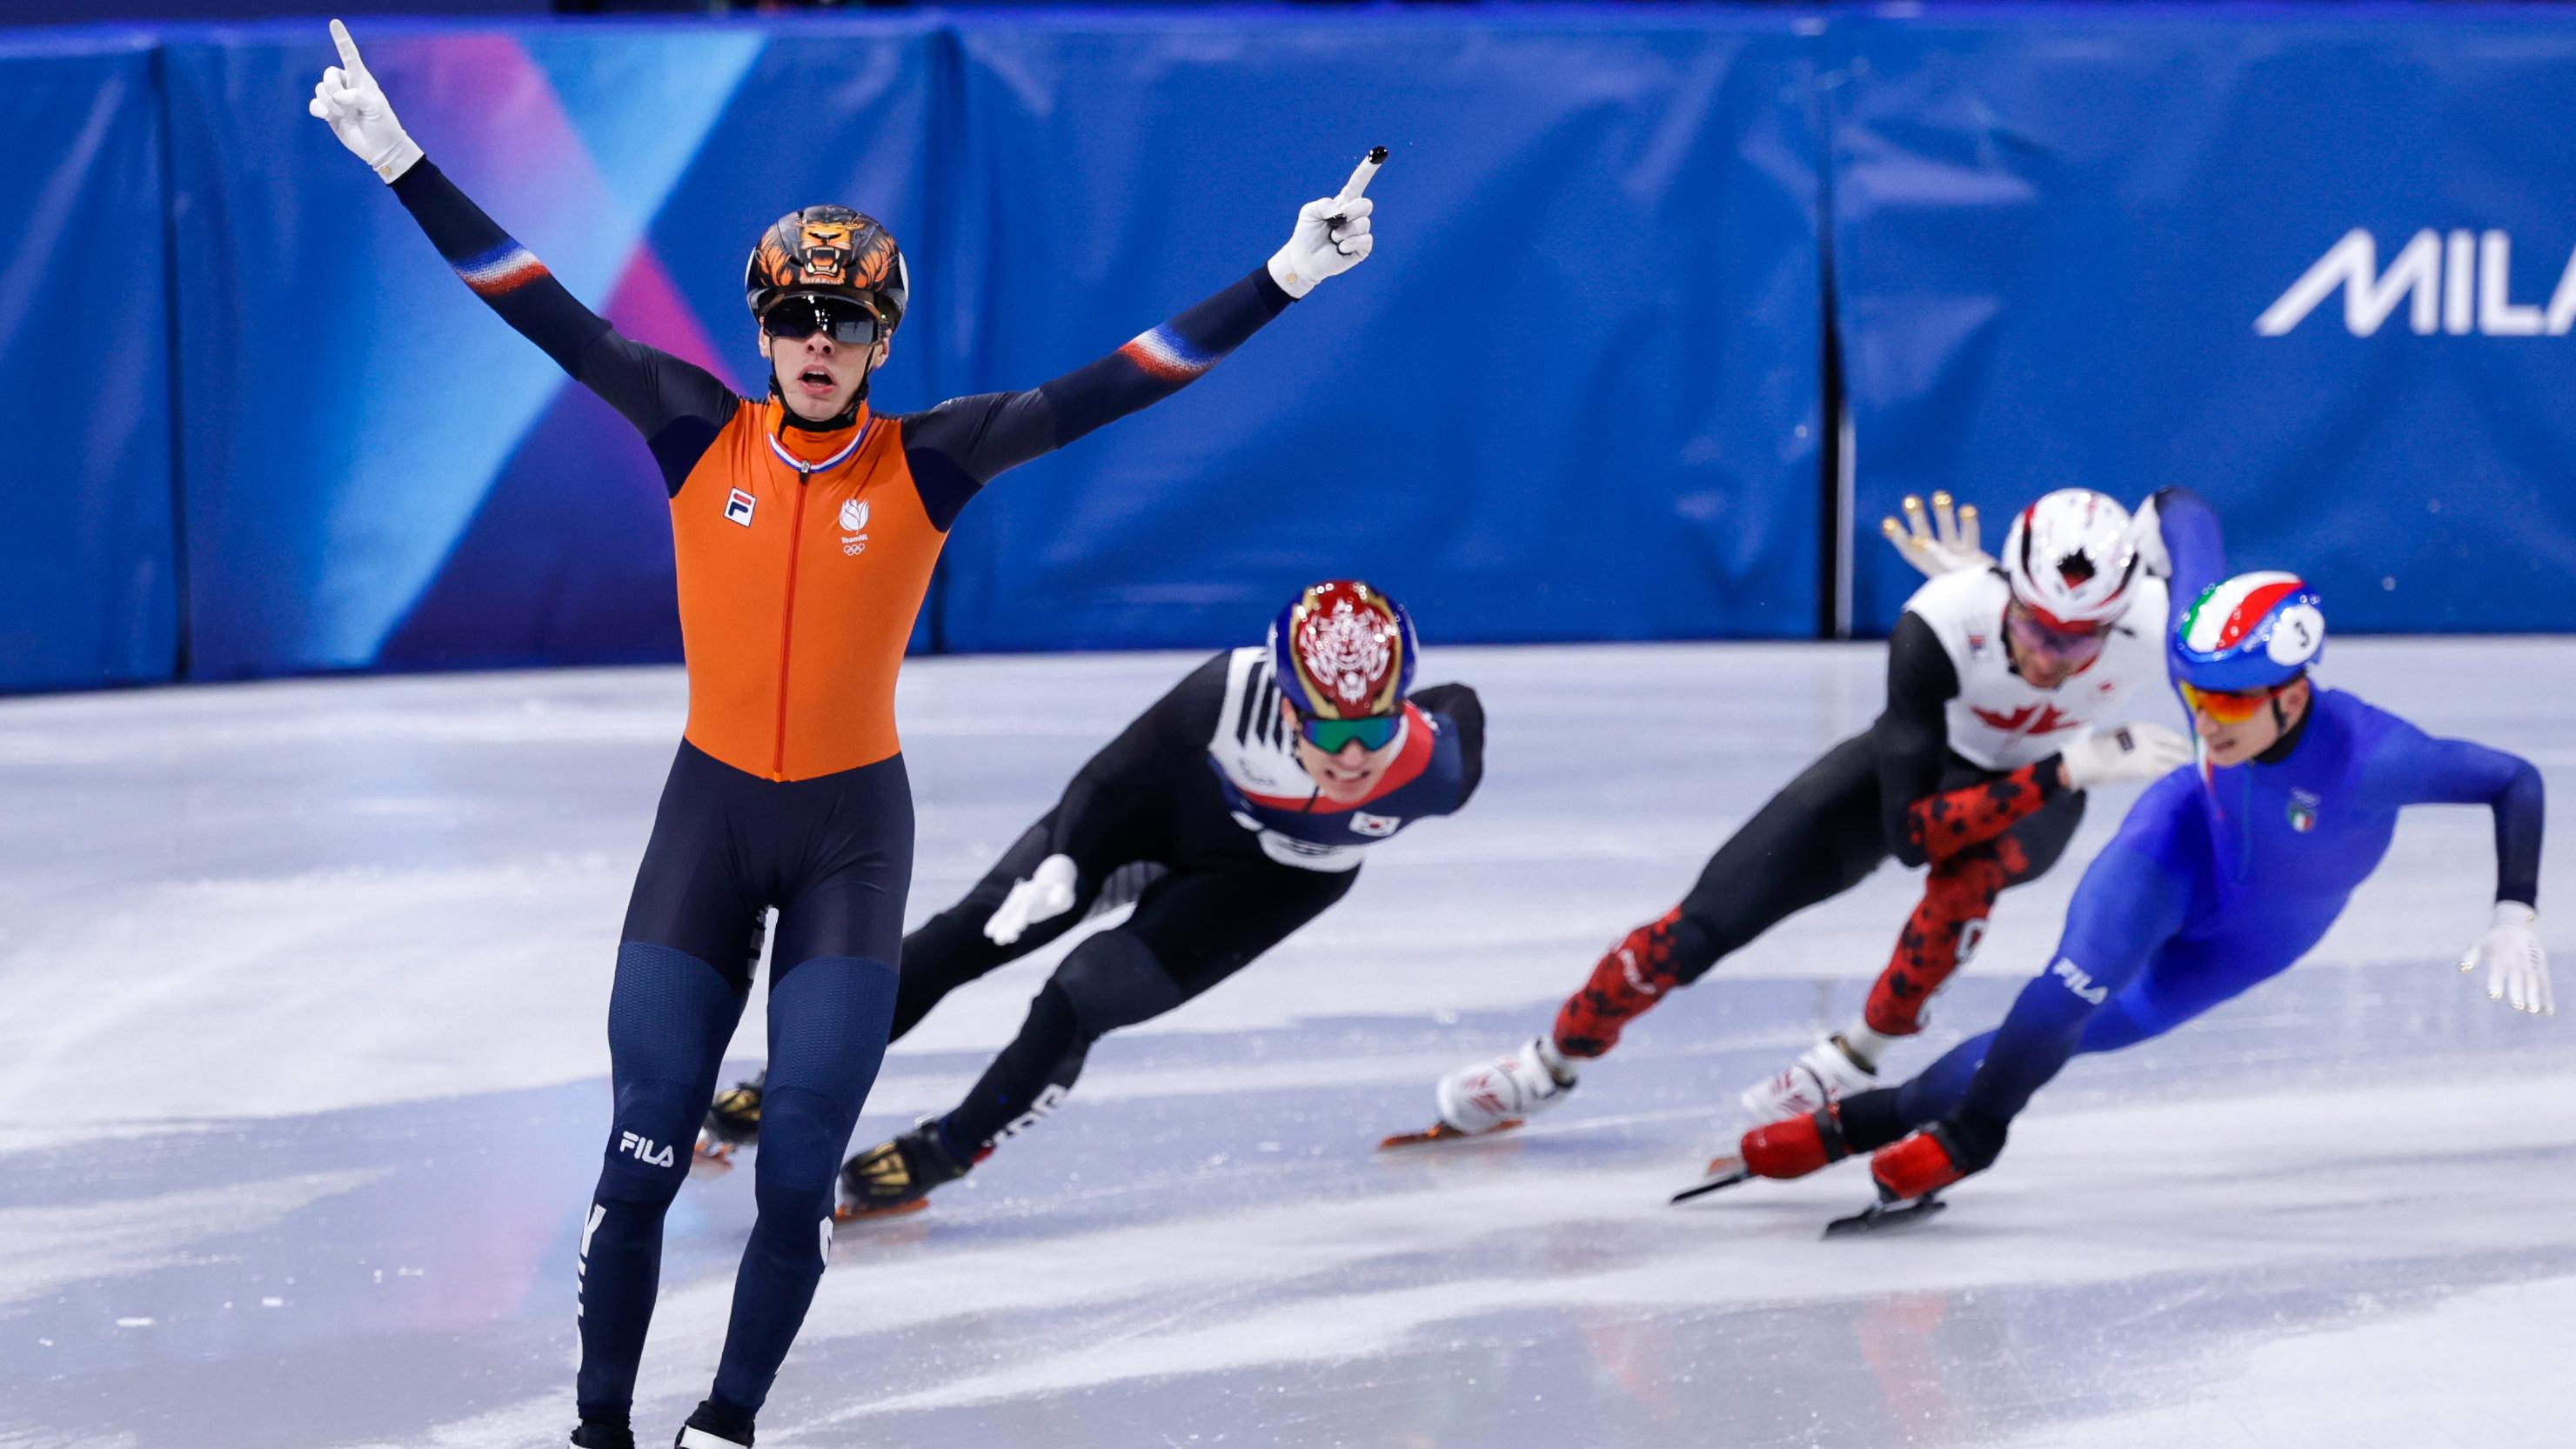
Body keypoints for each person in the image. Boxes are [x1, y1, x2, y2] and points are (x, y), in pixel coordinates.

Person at [308, 23, 1381, 1449]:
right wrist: (403, 164)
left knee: (797, 1160)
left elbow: (1128, 374)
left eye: (848, 322)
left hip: (846, 841)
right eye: (798, 319)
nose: (820, 345)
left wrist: (1284, 278)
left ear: (882, 337)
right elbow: (537, 302)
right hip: (711, 819)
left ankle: (725, 1427)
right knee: (636, 1162)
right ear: (760, 328)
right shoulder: (693, 424)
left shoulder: (935, 455)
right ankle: (598, 1429)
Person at [1728, 571, 2552, 1220]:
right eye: (2193, 696)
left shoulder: (2379, 759)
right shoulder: (2214, 671)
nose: (2206, 723)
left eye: (2228, 702)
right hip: (2175, 848)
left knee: (2080, 1036)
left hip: (2254, 940)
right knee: (2063, 992)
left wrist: (2514, 905)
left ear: (2292, 695)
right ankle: (1943, 1133)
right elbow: (2181, 511)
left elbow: (2513, 779)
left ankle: (1891, 1117)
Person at [1415, 488, 2226, 1145]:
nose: (2050, 659)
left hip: (2034, 803)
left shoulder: (2155, 622)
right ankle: (1548, 1063)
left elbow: (2183, 511)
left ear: (2117, 621)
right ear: (2003, 592)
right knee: (1703, 921)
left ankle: (1852, 1062)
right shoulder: (1938, 623)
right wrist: (2071, 763)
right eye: (2032, 627)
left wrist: (2183, 598)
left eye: (2079, 643)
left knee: (1970, 877)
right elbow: (1911, 837)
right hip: (1939, 770)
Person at [697, 580, 1484, 1212]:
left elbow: (1461, 703)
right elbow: (1112, 776)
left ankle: (948, 1148)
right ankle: (794, 1082)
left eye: (1372, 733)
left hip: (1274, 881)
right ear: (1285, 704)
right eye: (1327, 732)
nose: (1351, 761)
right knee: (970, 935)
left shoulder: (1438, 772)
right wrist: (1068, 859)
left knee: (1081, 999)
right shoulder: (1228, 693)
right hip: (1160, 819)